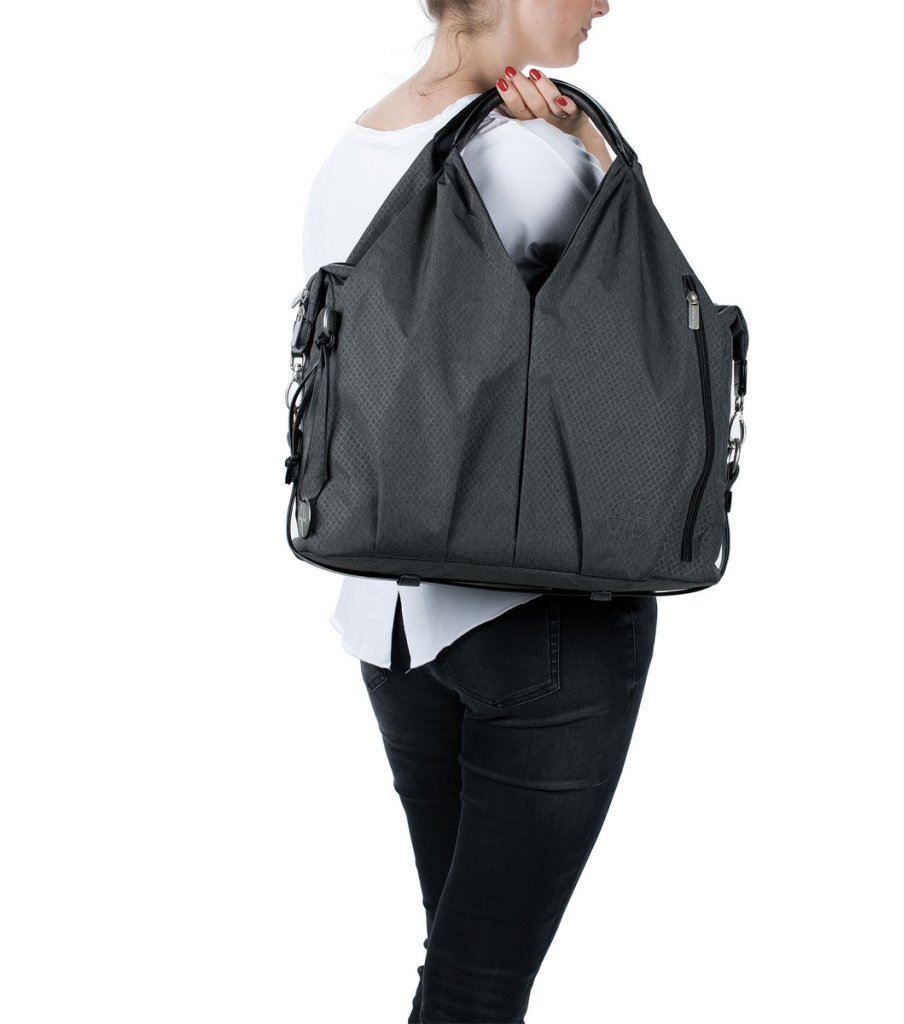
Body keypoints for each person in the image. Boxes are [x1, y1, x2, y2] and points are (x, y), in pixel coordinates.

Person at [301, 2, 657, 1021]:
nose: (604, 3)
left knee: (458, 965)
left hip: (390, 620)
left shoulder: (357, 147)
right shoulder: (527, 156)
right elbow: (648, 343)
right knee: (478, 983)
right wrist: (592, 148)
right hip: (537, 611)